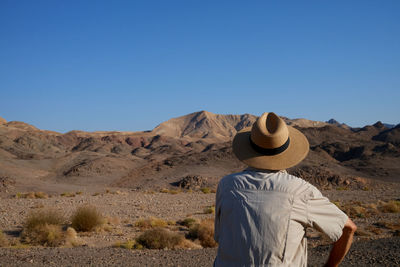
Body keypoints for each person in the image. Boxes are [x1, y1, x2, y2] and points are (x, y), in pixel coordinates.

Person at [214, 112, 356, 267]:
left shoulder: (226, 185)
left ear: (249, 148)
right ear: (286, 151)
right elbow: (348, 228)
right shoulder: (301, 190)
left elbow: (221, 236)